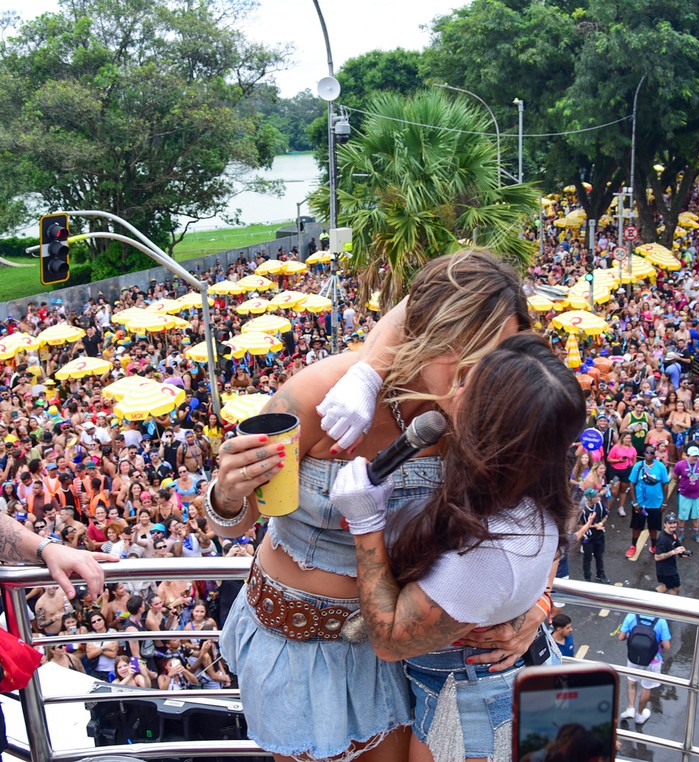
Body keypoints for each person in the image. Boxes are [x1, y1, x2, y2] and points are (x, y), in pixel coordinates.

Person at [212, 251, 548, 762]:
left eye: (495, 355)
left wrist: (539, 604)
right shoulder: (323, 391)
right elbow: (237, 522)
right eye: (462, 352)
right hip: (304, 650)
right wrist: (227, 493)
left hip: (413, 651)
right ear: (426, 336)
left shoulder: (497, 415)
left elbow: (540, 518)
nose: (476, 374)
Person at [329, 333, 584, 761]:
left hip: (474, 713)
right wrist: (539, 603)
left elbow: (390, 641)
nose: (456, 387)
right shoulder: (532, 493)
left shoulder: (485, 554)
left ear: (491, 428)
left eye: (471, 386)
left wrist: (366, 524)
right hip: (502, 690)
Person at [616, 612, 671, 726]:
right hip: (652, 661)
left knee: (632, 681)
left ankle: (630, 708)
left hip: (634, 657)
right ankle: (639, 715)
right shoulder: (661, 621)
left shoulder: (631, 616)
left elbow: (621, 637)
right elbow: (667, 647)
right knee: (646, 687)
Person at [626, 446, 670, 558]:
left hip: (655, 504)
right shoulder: (638, 466)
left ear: (655, 454)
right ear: (644, 453)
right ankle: (633, 546)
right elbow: (632, 484)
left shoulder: (660, 467)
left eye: (652, 452)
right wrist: (635, 502)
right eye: (647, 452)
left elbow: (665, 484)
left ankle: (654, 546)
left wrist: (664, 502)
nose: (649, 454)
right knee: (636, 527)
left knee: (653, 527)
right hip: (640, 504)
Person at [667, 446, 699, 544]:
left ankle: (696, 533)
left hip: (697, 495)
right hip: (684, 494)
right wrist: (683, 484)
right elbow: (675, 477)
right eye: (693, 456)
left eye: (697, 456)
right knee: (682, 516)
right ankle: (681, 534)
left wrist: (697, 483)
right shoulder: (680, 465)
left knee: (696, 515)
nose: (695, 457)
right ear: (688, 455)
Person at [578, 489, 610, 584]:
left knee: (599, 556)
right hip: (588, 537)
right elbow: (579, 525)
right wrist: (592, 526)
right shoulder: (583, 510)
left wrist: (600, 523)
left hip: (599, 536)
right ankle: (587, 577)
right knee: (587, 557)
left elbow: (605, 516)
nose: (598, 498)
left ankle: (600, 574)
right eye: (595, 497)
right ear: (589, 498)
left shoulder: (599, 504)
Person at [652, 513, 687, 595]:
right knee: (674, 588)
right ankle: (649, 599)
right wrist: (674, 552)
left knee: (667, 587)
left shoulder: (673, 533)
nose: (673, 525)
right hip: (666, 570)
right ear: (665, 524)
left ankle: (649, 599)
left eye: (674, 523)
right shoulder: (662, 540)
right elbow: (657, 557)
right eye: (670, 523)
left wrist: (682, 552)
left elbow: (676, 545)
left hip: (670, 567)